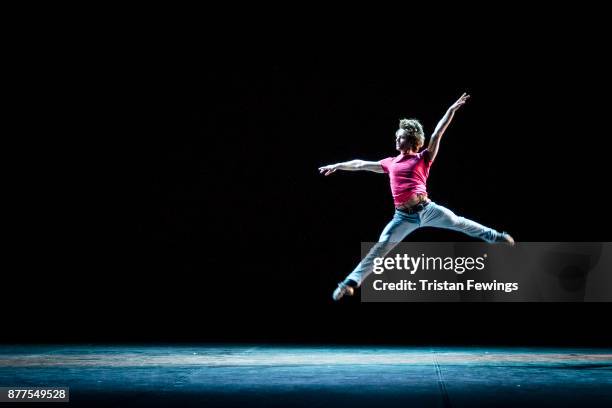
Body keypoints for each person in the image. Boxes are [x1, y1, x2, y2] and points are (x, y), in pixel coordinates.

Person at [318, 93, 514, 301]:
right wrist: (337, 165)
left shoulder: (423, 158)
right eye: (396, 136)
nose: (396, 139)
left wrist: (451, 110)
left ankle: (495, 237)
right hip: (402, 217)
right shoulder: (390, 163)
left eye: (400, 137)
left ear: (411, 139)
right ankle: (349, 283)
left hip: (428, 210)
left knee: (459, 222)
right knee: (381, 246)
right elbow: (360, 164)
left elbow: (437, 134)